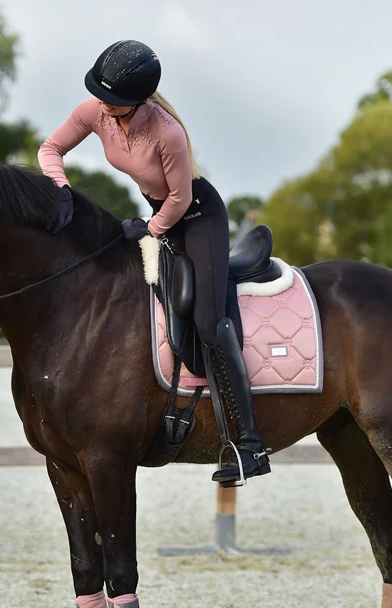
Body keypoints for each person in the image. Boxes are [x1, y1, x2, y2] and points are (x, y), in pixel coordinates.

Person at [38, 40, 270, 486]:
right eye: (101, 97)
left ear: (139, 100)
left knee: (207, 318)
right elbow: (50, 149)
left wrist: (150, 229)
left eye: (114, 102)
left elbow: (181, 198)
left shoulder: (168, 133)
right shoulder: (94, 111)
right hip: (159, 212)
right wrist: (61, 189)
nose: (104, 108)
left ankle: (249, 446)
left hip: (197, 217)